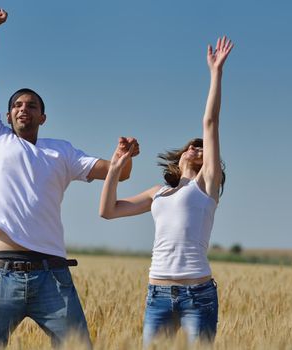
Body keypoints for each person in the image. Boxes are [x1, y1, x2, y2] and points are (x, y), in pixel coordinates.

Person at [0, 8, 138, 349]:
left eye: (31, 105)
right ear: (5, 115)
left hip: (53, 279)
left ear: (42, 117)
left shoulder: (61, 152)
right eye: (17, 104)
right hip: (2, 274)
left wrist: (123, 157)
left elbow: (119, 172)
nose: (23, 109)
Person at [99, 36, 233, 346]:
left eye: (202, 149)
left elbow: (210, 122)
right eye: (193, 146)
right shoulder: (158, 193)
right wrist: (117, 166)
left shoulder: (206, 186)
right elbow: (108, 211)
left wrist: (216, 72)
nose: (197, 148)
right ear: (182, 153)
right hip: (156, 294)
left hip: (197, 295)